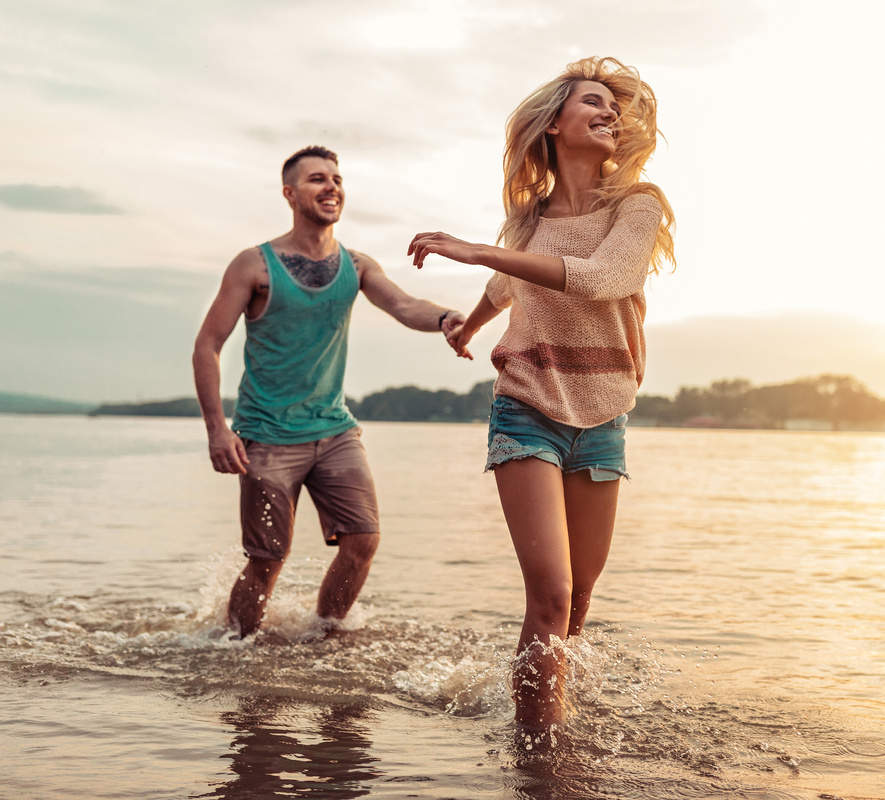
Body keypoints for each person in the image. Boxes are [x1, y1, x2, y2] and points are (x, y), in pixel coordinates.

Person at [408, 57, 675, 728]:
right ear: (555, 122)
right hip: (526, 409)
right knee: (551, 595)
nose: (609, 112)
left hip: (603, 415)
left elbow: (601, 276)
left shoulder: (638, 205)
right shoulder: (527, 223)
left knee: (580, 599)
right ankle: (540, 757)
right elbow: (510, 286)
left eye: (614, 106)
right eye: (592, 101)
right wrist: (469, 323)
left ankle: (549, 722)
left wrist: (481, 251)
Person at [193, 145, 464, 637]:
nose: (331, 187)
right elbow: (207, 345)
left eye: (337, 179)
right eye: (318, 179)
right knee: (267, 560)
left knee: (363, 539)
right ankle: (232, 650)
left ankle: (326, 635)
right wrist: (217, 429)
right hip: (266, 434)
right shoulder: (253, 265)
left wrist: (445, 319)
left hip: (335, 430)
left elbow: (404, 307)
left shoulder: (356, 265)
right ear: (290, 194)